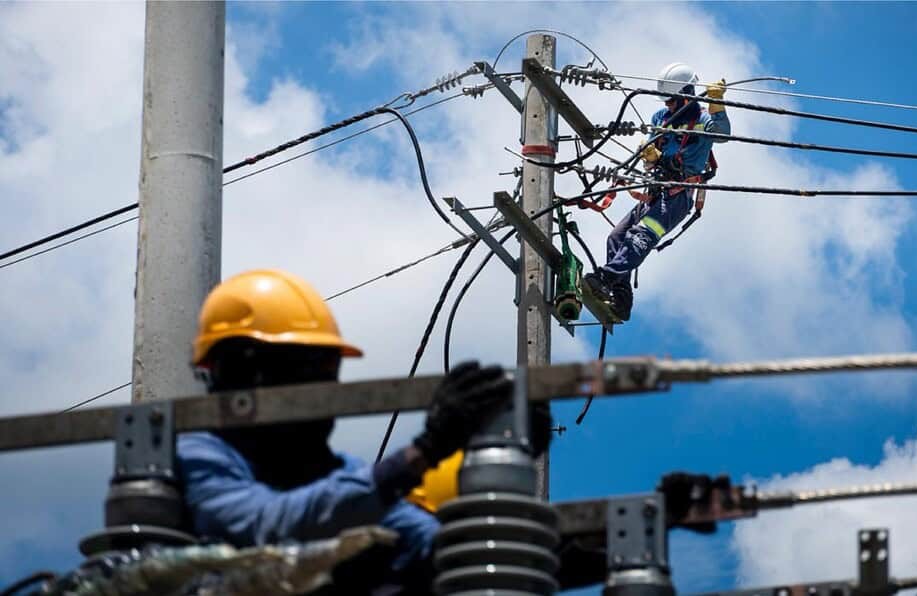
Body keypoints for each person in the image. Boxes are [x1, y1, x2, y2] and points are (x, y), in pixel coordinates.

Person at [175, 269, 527, 593]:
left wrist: (511, 449)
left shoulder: (342, 474)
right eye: (308, 370)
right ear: (241, 370)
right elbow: (268, 528)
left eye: (329, 370)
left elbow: (432, 550)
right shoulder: (199, 459)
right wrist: (426, 450)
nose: (325, 387)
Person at [584, 63, 731, 322]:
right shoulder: (660, 118)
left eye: (672, 100)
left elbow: (723, 135)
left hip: (679, 195)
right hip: (656, 190)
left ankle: (605, 277)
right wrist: (650, 156)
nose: (669, 105)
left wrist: (718, 103)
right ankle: (620, 300)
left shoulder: (705, 119)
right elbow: (652, 157)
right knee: (616, 237)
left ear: (687, 94)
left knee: (641, 236)